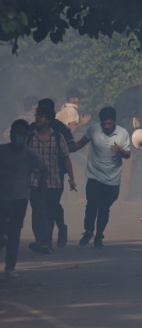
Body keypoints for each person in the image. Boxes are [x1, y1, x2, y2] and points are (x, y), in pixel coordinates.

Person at [72, 107, 131, 248]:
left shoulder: (122, 133)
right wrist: (65, 147)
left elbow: (128, 154)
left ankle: (99, 235)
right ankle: (88, 231)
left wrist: (120, 150)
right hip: (94, 176)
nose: (107, 127)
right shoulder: (93, 130)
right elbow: (79, 144)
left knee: (104, 208)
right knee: (91, 205)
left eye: (109, 124)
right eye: (104, 124)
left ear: (114, 122)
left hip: (112, 179)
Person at [28, 105, 76, 253]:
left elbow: (66, 158)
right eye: (37, 115)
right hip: (34, 181)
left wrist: (72, 179)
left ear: (48, 120)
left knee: (50, 211)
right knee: (38, 212)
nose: (38, 119)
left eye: (41, 116)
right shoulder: (30, 136)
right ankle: (41, 240)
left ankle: (46, 242)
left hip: (54, 181)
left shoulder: (57, 136)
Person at [0, 120, 44, 279]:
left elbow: (42, 168)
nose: (17, 136)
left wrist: (41, 188)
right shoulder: (2, 151)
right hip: (2, 198)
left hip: (20, 199)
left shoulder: (30, 155)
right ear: (11, 134)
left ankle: (10, 267)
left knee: (14, 233)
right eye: (14, 132)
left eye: (20, 133)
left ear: (25, 136)